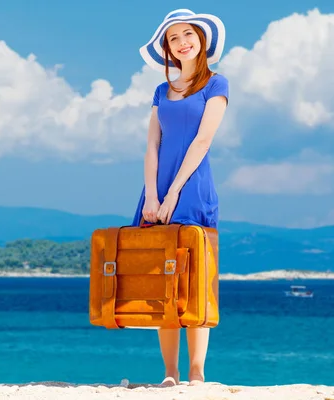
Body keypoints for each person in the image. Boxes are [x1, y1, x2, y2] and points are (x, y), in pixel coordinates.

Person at [132, 9, 229, 386]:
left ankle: (196, 370)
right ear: (168, 49)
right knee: (162, 283)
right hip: (156, 193)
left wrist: (174, 191)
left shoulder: (216, 84)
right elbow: (152, 145)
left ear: (201, 40)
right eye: (173, 38)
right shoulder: (161, 91)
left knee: (195, 280)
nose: (182, 42)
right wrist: (153, 196)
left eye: (187, 34)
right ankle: (170, 372)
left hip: (193, 188)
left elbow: (203, 140)